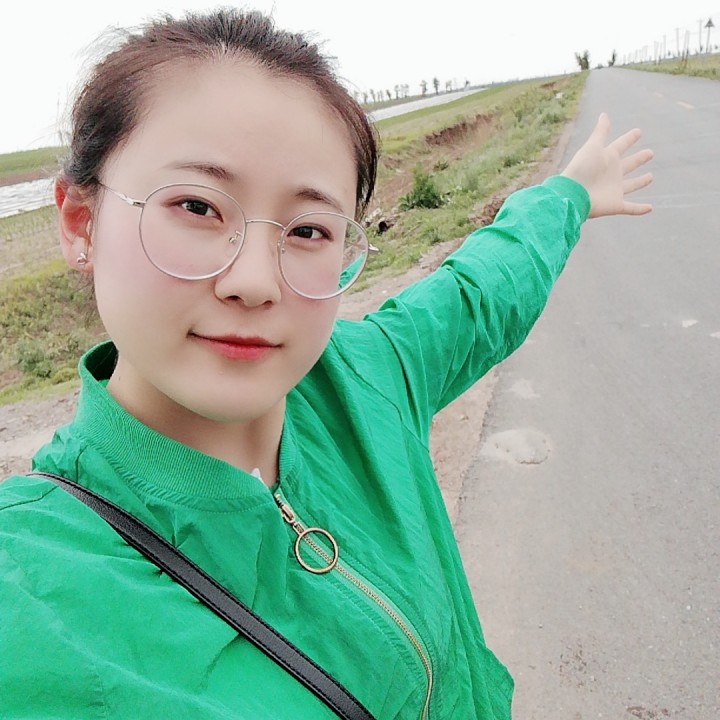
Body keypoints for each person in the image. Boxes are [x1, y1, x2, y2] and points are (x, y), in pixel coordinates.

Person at [0, 7, 653, 720]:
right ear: (81, 223)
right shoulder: (32, 588)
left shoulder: (366, 375)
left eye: (309, 229)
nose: (255, 281)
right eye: (196, 206)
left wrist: (569, 194)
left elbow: (482, 289)